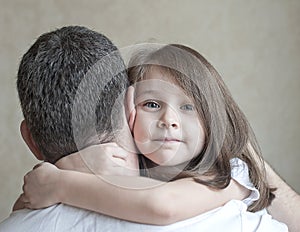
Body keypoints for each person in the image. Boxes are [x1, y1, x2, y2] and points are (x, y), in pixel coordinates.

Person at [0, 26, 252, 232]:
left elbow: (162, 205)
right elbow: (31, 197)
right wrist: (75, 168)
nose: (169, 120)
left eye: (188, 107)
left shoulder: (231, 174)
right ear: (131, 111)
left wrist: (61, 180)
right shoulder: (137, 172)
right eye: (152, 104)